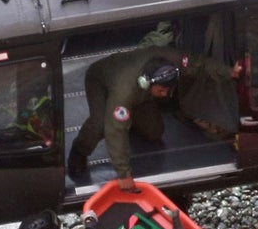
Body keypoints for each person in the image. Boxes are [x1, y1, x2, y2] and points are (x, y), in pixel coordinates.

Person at [67, 46, 193, 191]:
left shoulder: (173, 59)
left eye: (167, 90)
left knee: (154, 132)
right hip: (100, 80)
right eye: (161, 91)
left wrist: (225, 73)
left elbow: (200, 64)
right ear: (147, 82)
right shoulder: (124, 91)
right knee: (100, 123)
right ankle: (79, 150)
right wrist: (123, 174)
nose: (165, 94)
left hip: (140, 94)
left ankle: (132, 119)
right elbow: (115, 129)